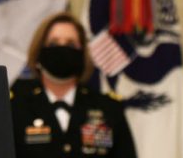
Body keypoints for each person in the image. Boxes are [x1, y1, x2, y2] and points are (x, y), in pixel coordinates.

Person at [10, 13, 137, 157]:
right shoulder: (14, 108)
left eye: (71, 44)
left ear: (82, 54)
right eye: (53, 43)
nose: (62, 49)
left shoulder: (108, 108)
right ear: (39, 52)